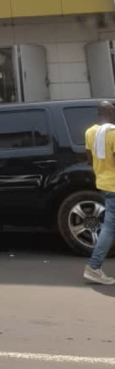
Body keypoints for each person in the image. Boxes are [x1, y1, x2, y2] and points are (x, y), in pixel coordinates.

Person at [84, 100, 115, 284]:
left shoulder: (90, 132)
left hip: (103, 181)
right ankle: (94, 267)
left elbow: (89, 158)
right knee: (109, 227)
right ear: (111, 113)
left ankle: (94, 267)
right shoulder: (113, 133)